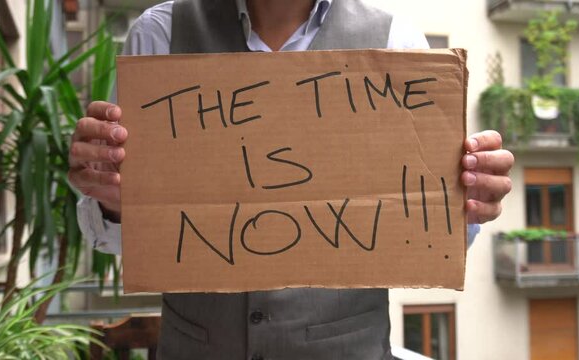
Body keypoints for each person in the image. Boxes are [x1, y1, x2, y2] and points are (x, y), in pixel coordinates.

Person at [69, 0, 514, 359]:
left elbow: (429, 232)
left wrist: (466, 202)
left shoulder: (397, 41)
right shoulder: (159, 34)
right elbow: (115, 235)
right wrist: (112, 201)